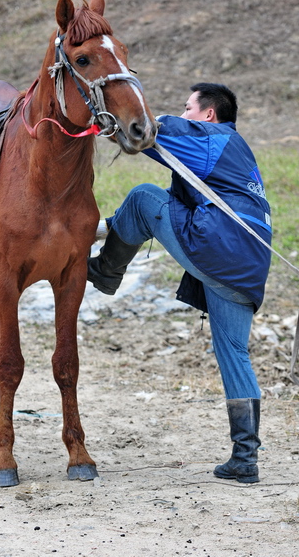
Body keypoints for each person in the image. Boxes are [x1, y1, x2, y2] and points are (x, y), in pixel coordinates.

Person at [88, 83, 272, 483]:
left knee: (141, 197)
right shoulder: (238, 152)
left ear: (208, 113)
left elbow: (149, 130)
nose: (184, 112)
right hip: (249, 268)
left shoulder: (211, 137)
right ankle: (246, 460)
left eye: (189, 107)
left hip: (220, 247)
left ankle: (104, 271)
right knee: (234, 355)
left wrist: (102, 115)